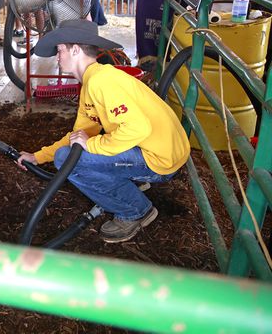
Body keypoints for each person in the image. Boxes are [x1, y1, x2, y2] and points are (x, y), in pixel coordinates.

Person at [16, 19, 190, 243]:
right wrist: (37, 157)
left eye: (60, 50)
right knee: (67, 154)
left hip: (161, 160)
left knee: (66, 158)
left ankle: (135, 210)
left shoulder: (101, 82)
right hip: (161, 149)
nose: (57, 56)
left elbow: (138, 127)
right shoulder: (94, 81)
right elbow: (77, 136)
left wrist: (93, 145)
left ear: (76, 50)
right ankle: (131, 182)